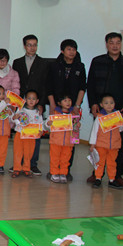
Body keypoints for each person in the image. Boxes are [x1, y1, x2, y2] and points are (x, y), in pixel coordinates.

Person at [87, 32, 123, 188]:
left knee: (119, 145)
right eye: (111, 42)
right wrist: (93, 103)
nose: (115, 46)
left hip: (121, 111)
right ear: (107, 44)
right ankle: (97, 174)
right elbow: (90, 85)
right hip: (102, 110)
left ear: (121, 44)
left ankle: (116, 175)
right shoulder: (98, 61)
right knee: (100, 145)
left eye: (118, 42)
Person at [46, 39, 87, 181]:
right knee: (56, 139)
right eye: (69, 49)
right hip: (57, 107)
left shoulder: (80, 66)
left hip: (73, 108)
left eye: (74, 49)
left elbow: (82, 87)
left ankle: (65, 170)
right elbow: (49, 86)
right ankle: (53, 170)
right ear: (62, 51)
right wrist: (52, 104)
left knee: (71, 139)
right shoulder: (54, 65)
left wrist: (77, 105)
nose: (72, 52)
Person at [12, 35, 48, 176]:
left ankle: (32, 164)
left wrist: (42, 103)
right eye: (29, 45)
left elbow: (45, 85)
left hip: (36, 103)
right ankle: (18, 164)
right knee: (20, 134)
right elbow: (16, 83)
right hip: (22, 103)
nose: (32, 47)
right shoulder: (17, 62)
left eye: (35, 45)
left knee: (34, 134)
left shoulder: (43, 63)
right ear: (24, 46)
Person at [89, 93, 123, 189]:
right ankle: (98, 178)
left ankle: (112, 180)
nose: (109, 105)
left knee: (112, 163)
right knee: (100, 162)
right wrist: (92, 144)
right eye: (106, 103)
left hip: (114, 145)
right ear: (101, 105)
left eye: (111, 103)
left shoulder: (117, 116)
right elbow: (94, 131)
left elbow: (120, 129)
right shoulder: (99, 117)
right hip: (101, 145)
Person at [46, 94, 80, 184]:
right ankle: (54, 173)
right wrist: (48, 124)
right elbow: (47, 124)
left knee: (65, 159)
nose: (68, 102)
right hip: (55, 141)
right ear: (59, 103)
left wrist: (77, 125)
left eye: (69, 100)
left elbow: (75, 129)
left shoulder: (73, 114)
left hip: (68, 142)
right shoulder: (55, 113)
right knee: (55, 158)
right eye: (65, 101)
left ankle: (63, 173)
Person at [11, 90, 43, 179]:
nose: (31, 100)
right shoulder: (21, 109)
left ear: (37, 101)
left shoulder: (38, 112)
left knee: (29, 153)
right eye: (29, 98)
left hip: (31, 136)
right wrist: (15, 118)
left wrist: (40, 130)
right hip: (20, 134)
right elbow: (14, 119)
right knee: (18, 152)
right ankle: (16, 168)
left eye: (33, 99)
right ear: (25, 99)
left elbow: (40, 123)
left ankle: (26, 168)